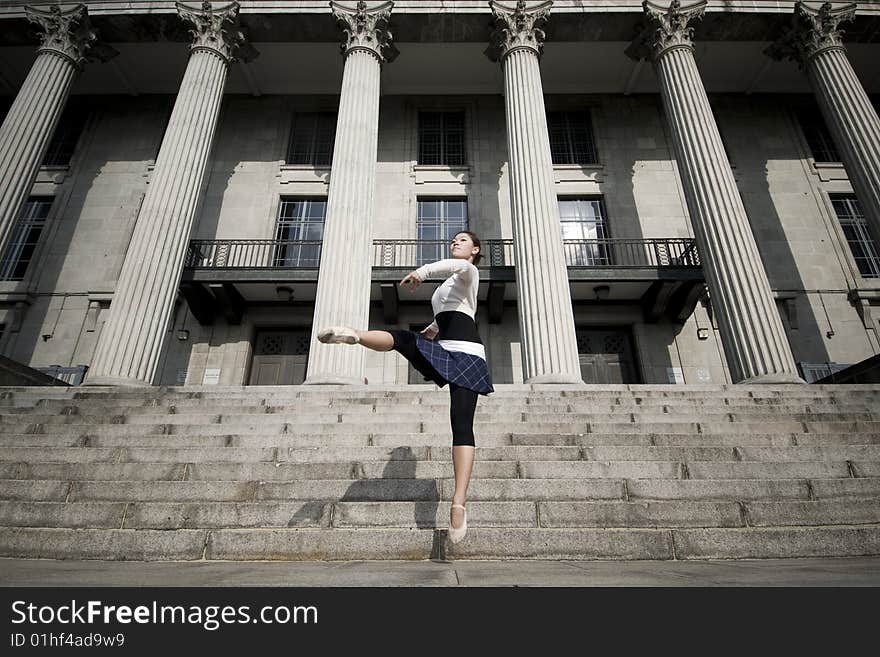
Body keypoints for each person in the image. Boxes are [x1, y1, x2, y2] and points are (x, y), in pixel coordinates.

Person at [317, 231, 493, 544]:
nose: (455, 241)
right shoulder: (445, 289)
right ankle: (353, 334)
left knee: (462, 424)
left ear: (475, 250)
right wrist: (432, 329)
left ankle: (458, 503)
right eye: (453, 239)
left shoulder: (469, 271)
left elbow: (454, 275)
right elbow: (448, 315)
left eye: (463, 240)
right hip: (444, 346)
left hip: (467, 354)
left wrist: (422, 272)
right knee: (403, 338)